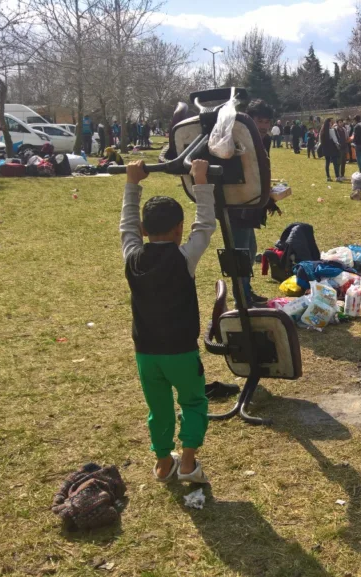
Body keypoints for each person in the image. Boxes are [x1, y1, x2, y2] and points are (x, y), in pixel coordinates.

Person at [119, 157, 215, 484]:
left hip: (146, 353)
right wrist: (200, 180)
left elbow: (126, 225)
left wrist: (133, 183)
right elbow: (205, 225)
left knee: (158, 408)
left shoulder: (132, 256)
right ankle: (187, 462)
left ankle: (163, 464)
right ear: (178, 230)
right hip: (182, 352)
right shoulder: (184, 258)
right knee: (193, 401)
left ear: (143, 231)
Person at [227, 99, 280, 307]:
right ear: (250, 120)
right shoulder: (237, 139)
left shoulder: (264, 140)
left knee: (250, 247)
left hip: (252, 203)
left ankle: (246, 290)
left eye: (267, 121)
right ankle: (242, 298)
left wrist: (268, 198)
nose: (264, 126)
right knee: (241, 251)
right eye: (259, 120)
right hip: (236, 203)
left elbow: (261, 172)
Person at [320, 118, 341, 182]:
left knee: (327, 163)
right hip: (332, 148)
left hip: (325, 149)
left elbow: (320, 141)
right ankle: (337, 176)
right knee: (335, 163)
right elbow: (335, 140)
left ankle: (328, 176)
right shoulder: (331, 130)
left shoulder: (322, 131)